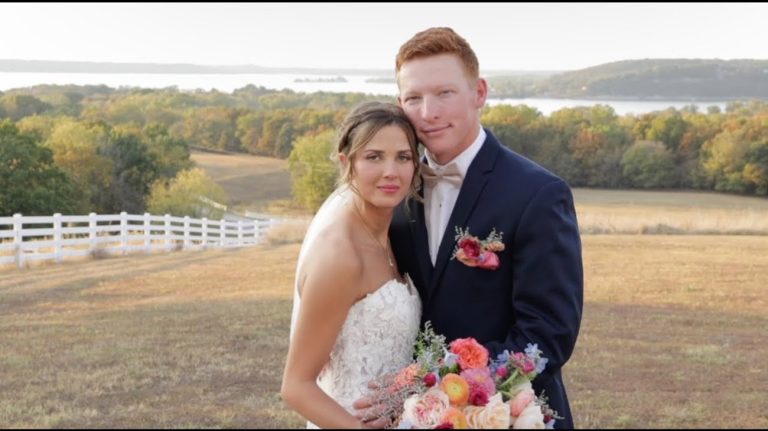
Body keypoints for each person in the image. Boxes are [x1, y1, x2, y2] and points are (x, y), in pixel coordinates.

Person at [355, 27, 584, 428]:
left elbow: (547, 337)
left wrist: (428, 384)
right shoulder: (393, 188)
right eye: (414, 98)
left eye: (444, 93)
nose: (428, 112)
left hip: (507, 416)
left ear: (479, 92)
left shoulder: (538, 194)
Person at [281, 101, 423, 428]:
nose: (391, 171)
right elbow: (296, 387)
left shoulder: (390, 235)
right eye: (374, 157)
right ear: (348, 163)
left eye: (403, 157)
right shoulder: (340, 255)